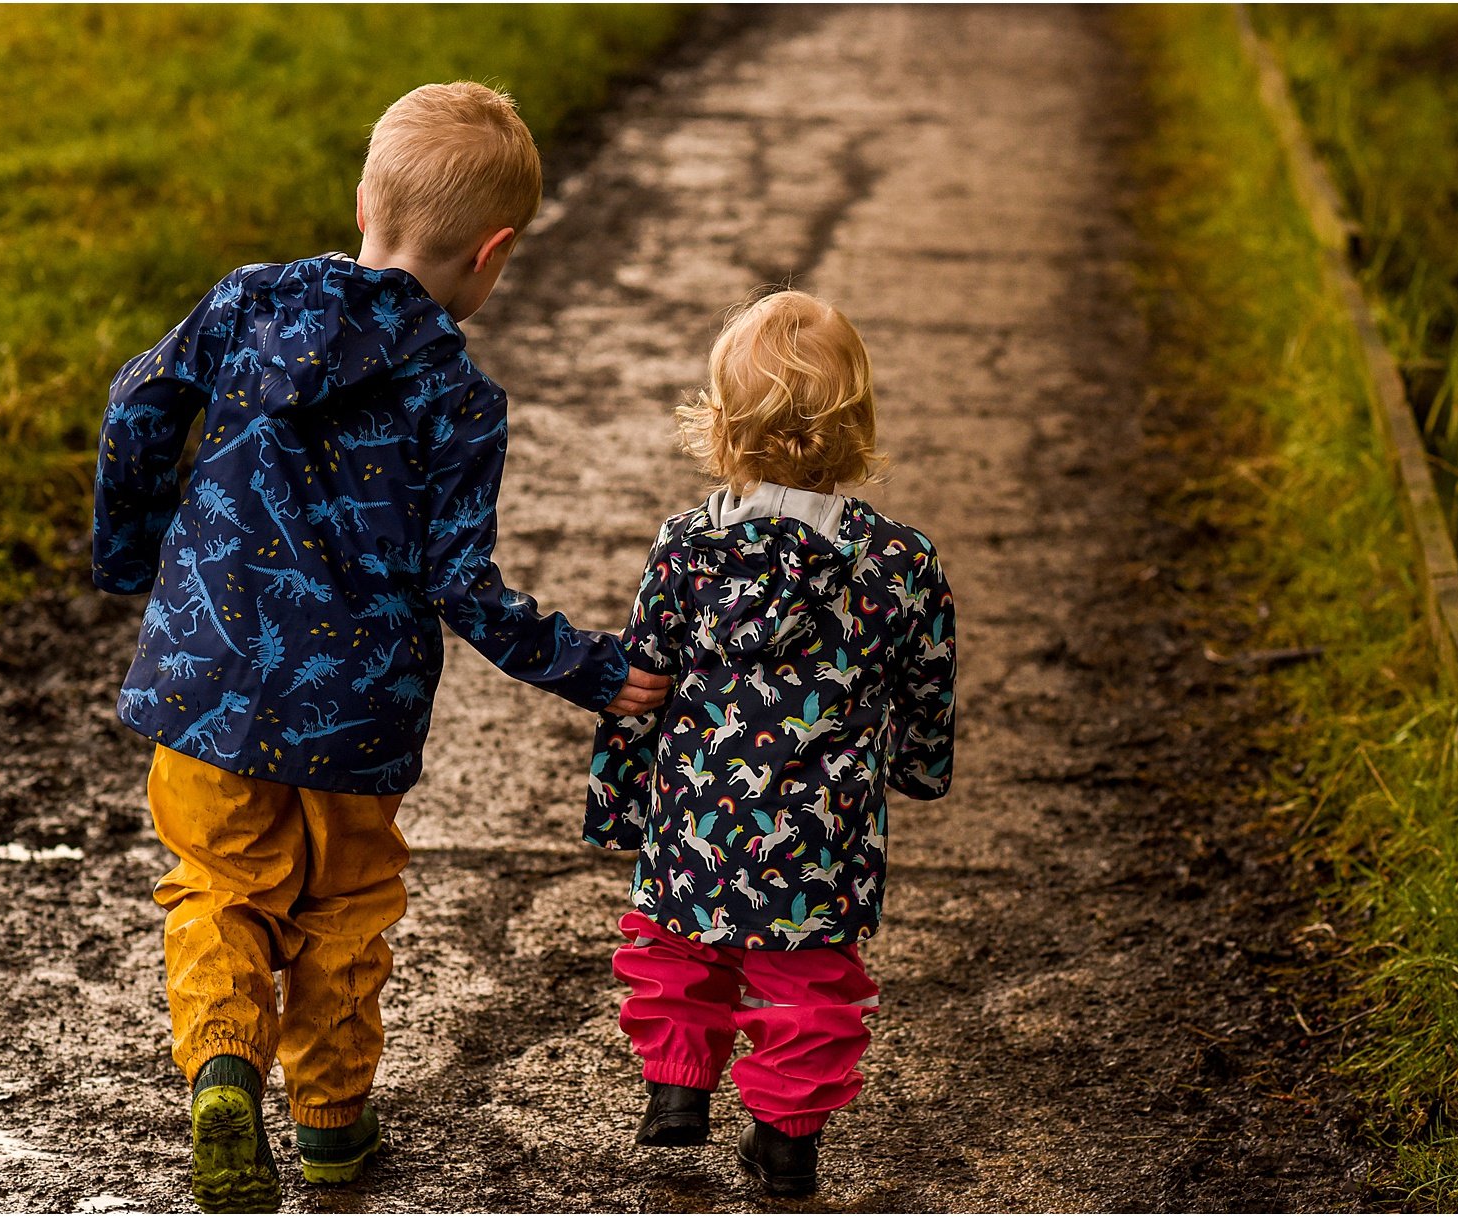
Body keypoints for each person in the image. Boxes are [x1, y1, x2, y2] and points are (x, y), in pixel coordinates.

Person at [92, 81, 668, 1213]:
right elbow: (461, 584)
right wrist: (596, 670)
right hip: (356, 717)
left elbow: (137, 405)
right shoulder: (458, 398)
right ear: (491, 254)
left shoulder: (246, 303)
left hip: (204, 693)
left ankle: (220, 1067)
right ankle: (331, 1127)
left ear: (364, 197)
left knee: (218, 886)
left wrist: (135, 553)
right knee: (344, 913)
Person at [583, 289, 957, 1197]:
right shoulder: (899, 562)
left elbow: (640, 683)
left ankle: (678, 1088)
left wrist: (623, 803)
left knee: (679, 947)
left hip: (695, 823)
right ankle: (786, 1140)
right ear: (857, 427)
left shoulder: (684, 548)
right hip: (821, 838)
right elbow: (927, 681)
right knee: (808, 986)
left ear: (719, 426)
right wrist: (918, 767)